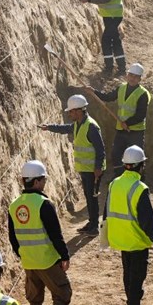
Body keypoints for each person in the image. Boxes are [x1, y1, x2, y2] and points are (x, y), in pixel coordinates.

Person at [7, 160, 72, 305]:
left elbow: (13, 238)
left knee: (35, 301)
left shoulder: (14, 206)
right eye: (43, 179)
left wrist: (24, 254)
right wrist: (64, 255)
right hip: (47, 260)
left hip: (29, 262)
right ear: (35, 182)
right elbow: (55, 234)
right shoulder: (43, 204)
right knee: (63, 294)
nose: (44, 183)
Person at [105, 145, 153, 305]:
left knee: (128, 275)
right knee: (137, 278)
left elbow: (106, 210)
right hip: (136, 240)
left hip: (120, 238)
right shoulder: (139, 188)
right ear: (140, 165)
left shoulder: (114, 183)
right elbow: (147, 219)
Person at [39, 94, 106, 234]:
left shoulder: (91, 127)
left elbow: (101, 149)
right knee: (89, 196)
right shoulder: (78, 124)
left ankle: (94, 226)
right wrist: (49, 127)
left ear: (79, 110)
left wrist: (98, 168)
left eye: (71, 111)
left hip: (93, 170)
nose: (69, 114)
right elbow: (65, 128)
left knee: (92, 197)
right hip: (86, 169)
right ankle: (92, 223)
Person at [93, 63, 151, 179]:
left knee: (137, 156)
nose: (132, 78)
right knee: (116, 154)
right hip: (121, 130)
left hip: (135, 131)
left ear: (140, 79)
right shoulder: (121, 88)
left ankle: (140, 179)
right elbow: (108, 97)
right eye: (131, 75)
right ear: (127, 75)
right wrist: (94, 92)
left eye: (136, 77)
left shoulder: (142, 94)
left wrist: (127, 123)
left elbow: (140, 115)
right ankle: (119, 177)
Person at [81, 0, 125, 74]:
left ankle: (109, 67)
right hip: (109, 15)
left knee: (106, 40)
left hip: (113, 16)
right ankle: (121, 68)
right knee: (115, 40)